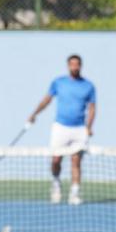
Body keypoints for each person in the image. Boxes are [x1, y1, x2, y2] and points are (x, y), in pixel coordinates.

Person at [28, 54, 96, 205]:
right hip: (60, 127)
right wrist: (34, 114)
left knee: (76, 161)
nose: (74, 67)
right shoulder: (58, 83)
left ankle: (75, 192)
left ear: (80, 66)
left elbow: (92, 108)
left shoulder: (88, 86)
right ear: (68, 66)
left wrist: (89, 127)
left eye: (77, 64)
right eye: (72, 64)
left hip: (79, 129)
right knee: (56, 159)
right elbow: (46, 100)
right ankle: (56, 184)